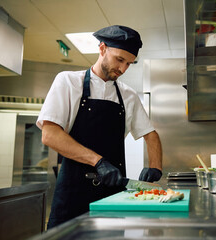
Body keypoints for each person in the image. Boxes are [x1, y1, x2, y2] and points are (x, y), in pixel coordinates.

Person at [36, 25, 163, 229]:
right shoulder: (68, 81)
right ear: (102, 49)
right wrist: (98, 162)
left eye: (129, 63)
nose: (123, 69)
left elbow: (151, 134)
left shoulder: (128, 95)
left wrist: (156, 166)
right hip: (72, 196)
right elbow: (50, 135)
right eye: (119, 60)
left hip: (111, 197)